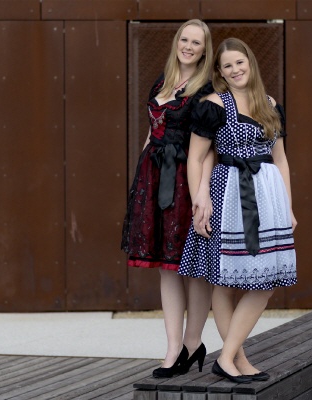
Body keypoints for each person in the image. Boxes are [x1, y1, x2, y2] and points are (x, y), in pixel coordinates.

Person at [178, 37, 297, 383]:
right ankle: (235, 360)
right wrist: (200, 200)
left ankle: (228, 356)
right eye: (227, 65)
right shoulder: (214, 105)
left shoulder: (270, 104)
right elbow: (196, 158)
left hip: (268, 197)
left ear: (250, 64)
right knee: (225, 279)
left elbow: (281, 159)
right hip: (229, 194)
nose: (235, 70)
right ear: (219, 71)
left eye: (239, 63)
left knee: (265, 280)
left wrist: (288, 207)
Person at [121, 19, 214, 378]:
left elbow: (209, 147)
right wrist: (140, 179)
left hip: (185, 179)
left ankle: (193, 342)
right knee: (166, 266)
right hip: (155, 175)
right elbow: (152, 130)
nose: (188, 46)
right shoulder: (163, 81)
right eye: (184, 39)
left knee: (193, 267)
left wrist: (202, 192)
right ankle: (173, 347)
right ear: (177, 42)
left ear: (204, 50)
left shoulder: (206, 89)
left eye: (196, 42)